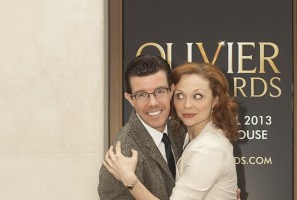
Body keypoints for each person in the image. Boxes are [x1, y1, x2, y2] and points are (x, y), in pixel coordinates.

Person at [103, 61, 240, 200]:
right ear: (130, 99)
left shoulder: (208, 148)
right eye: (180, 95)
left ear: (215, 99)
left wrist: (130, 180)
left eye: (198, 96)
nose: (187, 105)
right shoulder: (121, 154)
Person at [98, 55, 186, 200]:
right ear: (130, 99)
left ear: (171, 91)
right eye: (142, 95)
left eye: (160, 91)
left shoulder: (181, 129)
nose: (153, 103)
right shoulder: (121, 156)